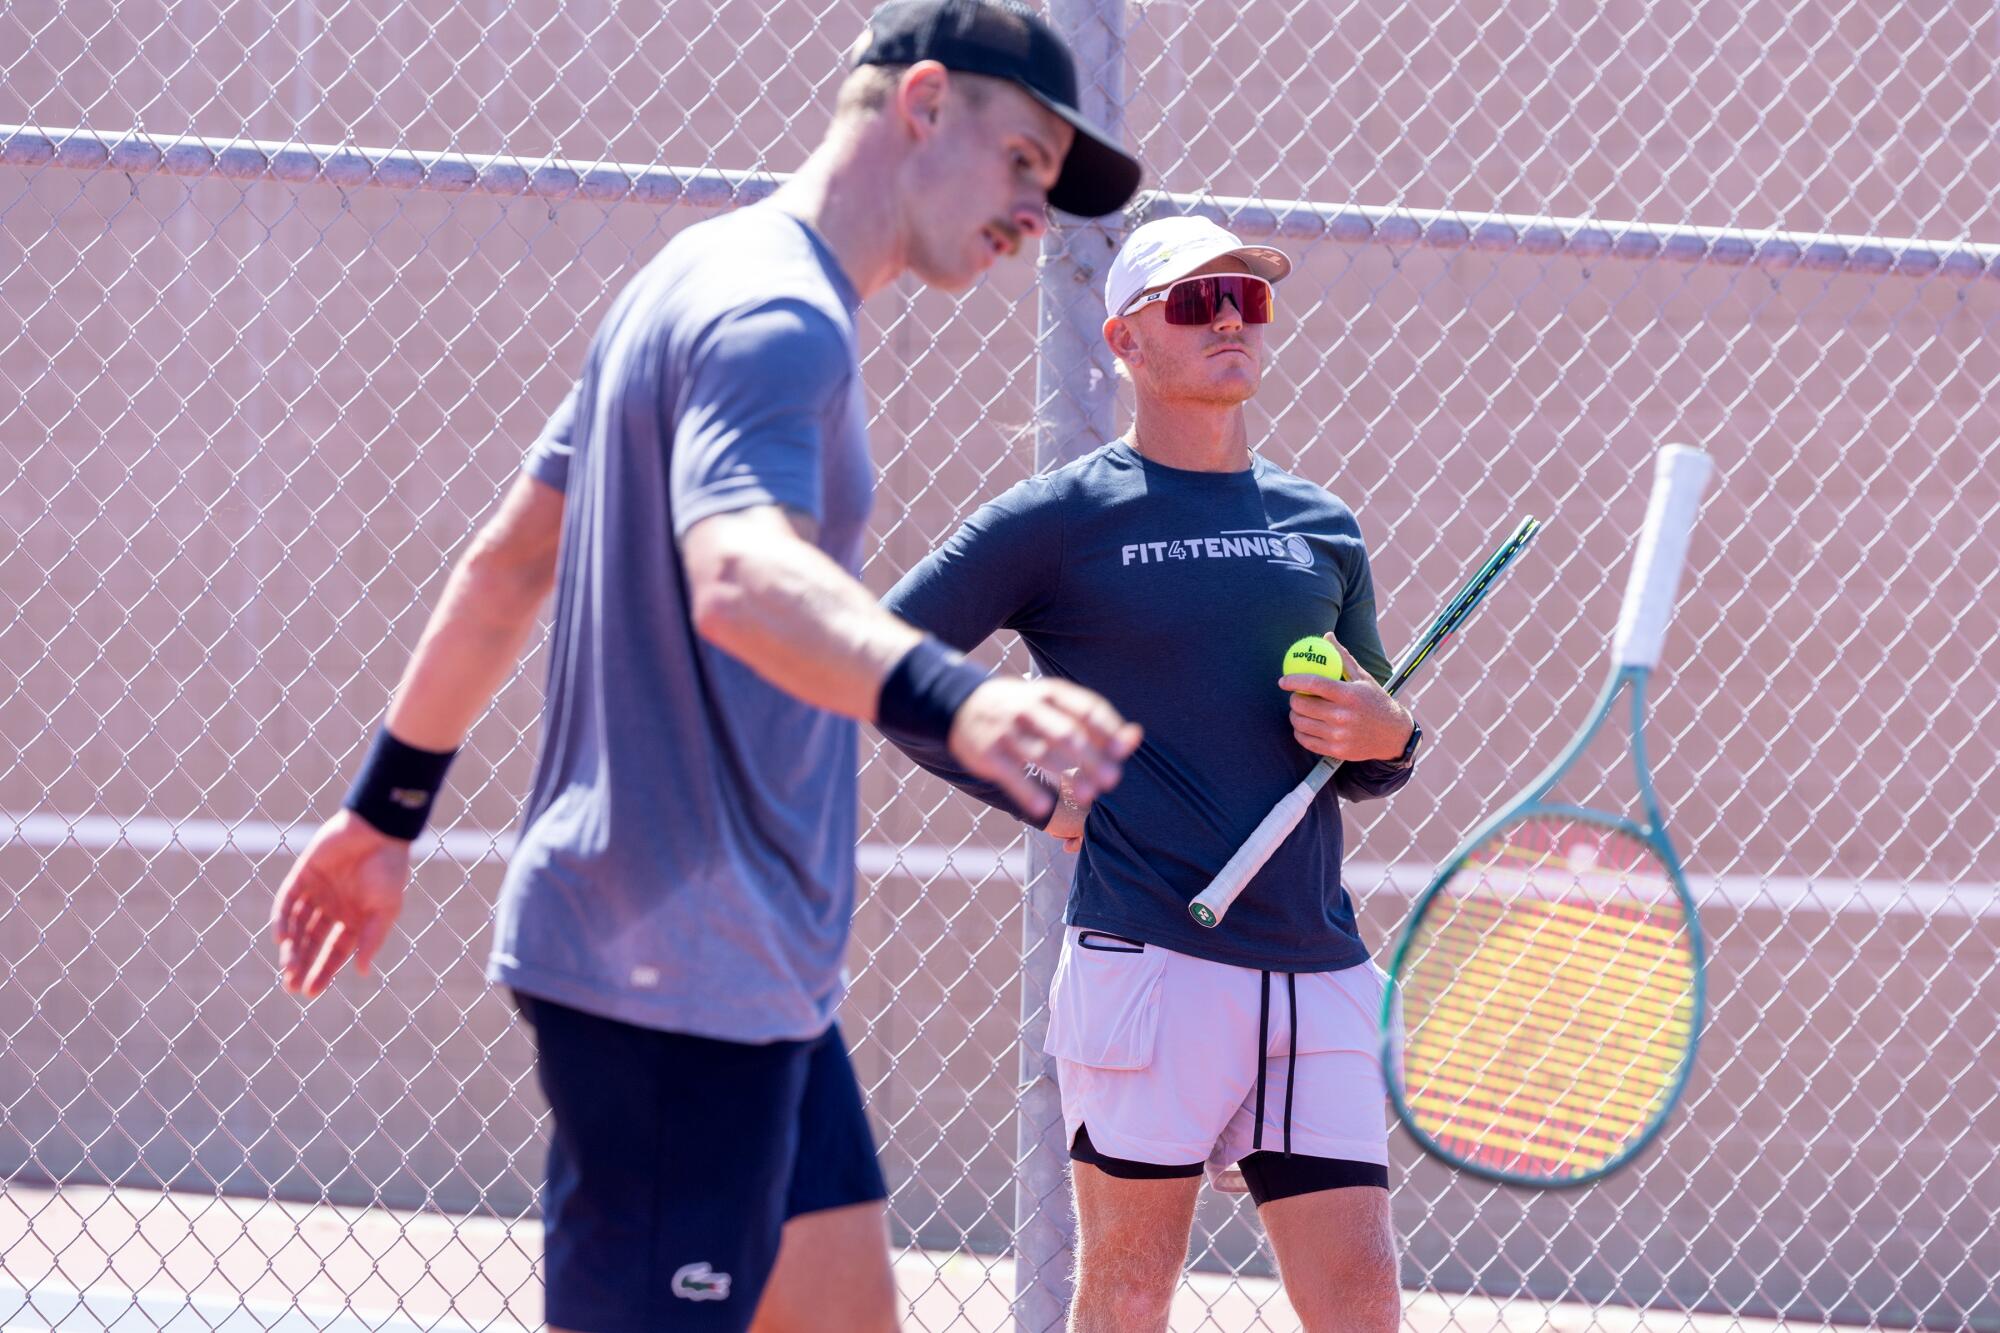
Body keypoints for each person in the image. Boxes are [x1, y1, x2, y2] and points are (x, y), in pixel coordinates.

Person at [268, 4, 1146, 1329]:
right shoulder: (777, 317)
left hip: (754, 971)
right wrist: (959, 697)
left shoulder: (693, 275)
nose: (1038, 216)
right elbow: (739, 577)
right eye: (1023, 159)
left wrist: (385, 810)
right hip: (675, 985)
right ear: (921, 106)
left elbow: (513, 565)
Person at [878, 215, 1421, 1333]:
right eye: (1194, 302)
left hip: (1315, 965)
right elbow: (886, 663)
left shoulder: (1320, 525)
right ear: (1126, 340)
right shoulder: (1059, 517)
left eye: (1246, 300)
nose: (1229, 319)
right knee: (1129, 1290)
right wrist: (1036, 792)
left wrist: (1389, 739)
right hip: (1150, 956)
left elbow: (1357, 751)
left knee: (1361, 1303)